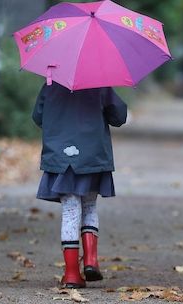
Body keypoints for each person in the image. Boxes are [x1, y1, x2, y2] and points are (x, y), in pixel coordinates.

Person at [32, 82, 127, 288]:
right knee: (89, 206)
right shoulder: (100, 83)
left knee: (70, 211)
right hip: (91, 156)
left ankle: (72, 273)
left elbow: (38, 117)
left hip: (61, 157)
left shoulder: (50, 83)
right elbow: (119, 117)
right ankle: (91, 260)